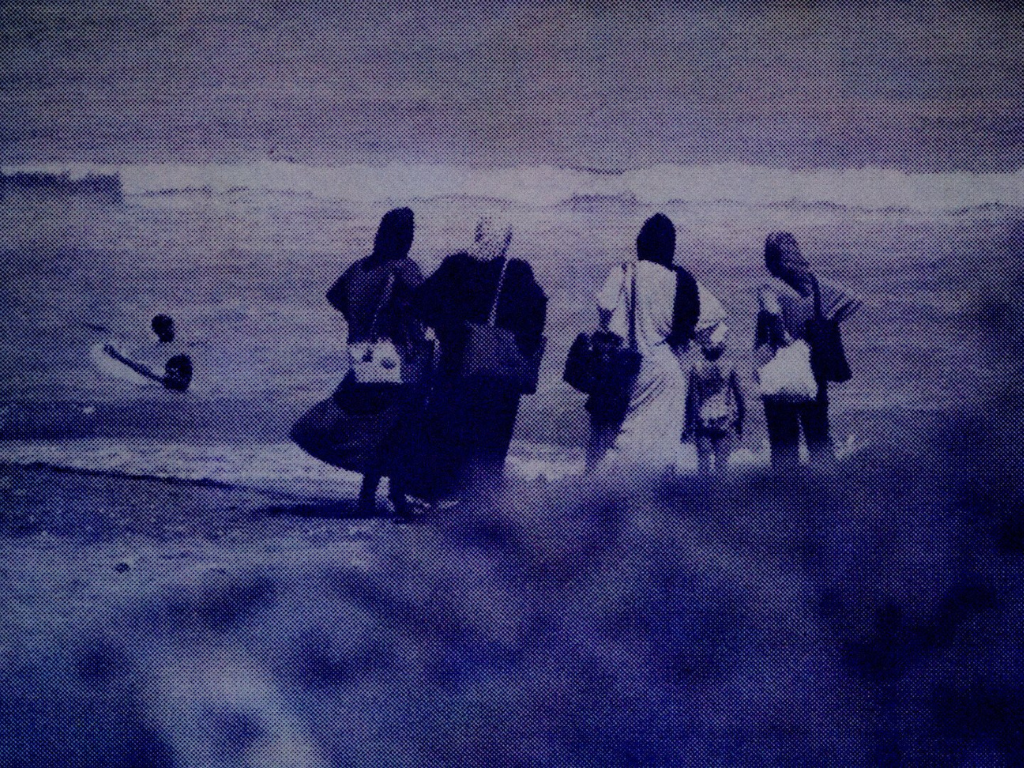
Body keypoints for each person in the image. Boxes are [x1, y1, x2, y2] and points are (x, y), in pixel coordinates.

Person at [406, 217, 547, 503]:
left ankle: (440, 503)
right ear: (505, 240)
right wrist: (516, 340)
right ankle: (481, 508)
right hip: (499, 375)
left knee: (449, 433)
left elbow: (419, 302)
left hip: (456, 366)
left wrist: (450, 330)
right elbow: (537, 312)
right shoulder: (517, 271)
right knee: (491, 440)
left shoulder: (455, 265)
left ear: (478, 234)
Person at [588, 213, 727, 473]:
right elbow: (715, 326)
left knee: (608, 447)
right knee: (657, 457)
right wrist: (711, 346)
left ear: (641, 242)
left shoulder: (623, 271)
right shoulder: (681, 281)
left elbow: (604, 306)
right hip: (664, 376)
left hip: (619, 368)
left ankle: (598, 504)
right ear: (670, 247)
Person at [326, 207, 427, 518]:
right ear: (406, 236)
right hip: (393, 357)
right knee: (402, 427)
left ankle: (368, 497)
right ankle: (396, 496)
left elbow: (334, 296)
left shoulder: (359, 267)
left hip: (363, 354)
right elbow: (425, 305)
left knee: (376, 425)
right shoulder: (403, 268)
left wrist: (356, 323)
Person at [755, 232, 863, 469]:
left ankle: (786, 498)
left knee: (783, 442)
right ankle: (825, 494)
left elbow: (772, 313)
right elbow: (854, 300)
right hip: (813, 367)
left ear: (771, 259)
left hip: (780, 368)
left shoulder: (769, 285)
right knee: (819, 436)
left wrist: (785, 338)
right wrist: (827, 318)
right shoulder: (817, 284)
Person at [682, 324, 745, 476]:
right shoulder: (730, 366)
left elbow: (692, 400)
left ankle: (703, 498)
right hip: (723, 417)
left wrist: (688, 425)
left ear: (703, 349)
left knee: (703, 466)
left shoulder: (696, 367)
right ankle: (720, 498)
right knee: (721, 467)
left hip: (703, 418)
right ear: (722, 348)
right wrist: (740, 420)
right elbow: (740, 397)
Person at [102, 314, 193, 392]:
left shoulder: (179, 344)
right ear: (159, 332)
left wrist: (117, 356)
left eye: (171, 327)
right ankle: (116, 354)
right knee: (143, 368)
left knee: (144, 369)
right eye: (168, 328)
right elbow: (140, 366)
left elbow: (142, 368)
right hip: (170, 378)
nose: (172, 330)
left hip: (172, 378)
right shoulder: (156, 348)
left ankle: (116, 354)